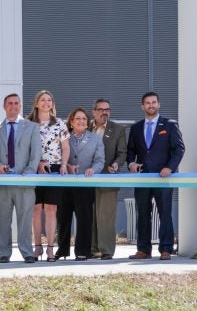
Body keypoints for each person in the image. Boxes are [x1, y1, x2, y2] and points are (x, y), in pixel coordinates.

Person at [127, 91, 185, 260]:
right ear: (142, 106)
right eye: (147, 103)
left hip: (163, 176)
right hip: (142, 177)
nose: (151, 105)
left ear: (158, 104)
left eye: (154, 102)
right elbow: (131, 150)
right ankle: (143, 250)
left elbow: (179, 149)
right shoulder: (136, 127)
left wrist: (170, 168)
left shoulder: (170, 125)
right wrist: (131, 164)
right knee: (143, 213)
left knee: (165, 213)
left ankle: (166, 249)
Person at [0, 93, 41, 263]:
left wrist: (29, 171)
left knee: (25, 220)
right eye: (9, 103)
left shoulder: (32, 127)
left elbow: (36, 154)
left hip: (24, 182)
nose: (13, 106)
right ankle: (3, 254)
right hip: (2, 182)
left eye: (16, 103)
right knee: (1, 220)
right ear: (4, 107)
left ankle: (27, 252)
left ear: (20, 106)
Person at [55, 108, 104, 261]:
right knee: (63, 218)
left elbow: (100, 160)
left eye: (84, 118)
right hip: (65, 183)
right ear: (71, 121)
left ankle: (83, 251)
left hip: (85, 184)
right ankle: (62, 250)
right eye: (78, 118)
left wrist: (93, 169)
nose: (81, 121)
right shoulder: (64, 137)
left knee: (84, 218)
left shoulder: (95, 139)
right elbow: (57, 157)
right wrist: (67, 166)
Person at [27, 90, 70, 262]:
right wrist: (36, 163)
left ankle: (51, 249)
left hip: (54, 169)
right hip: (33, 169)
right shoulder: (28, 123)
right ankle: (37, 247)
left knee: (51, 209)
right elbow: (24, 148)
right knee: (36, 210)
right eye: (42, 100)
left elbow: (65, 147)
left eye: (49, 100)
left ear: (52, 104)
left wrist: (64, 165)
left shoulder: (59, 123)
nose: (46, 102)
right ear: (36, 103)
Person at [89, 98, 127, 260]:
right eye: (101, 109)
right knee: (89, 216)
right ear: (94, 112)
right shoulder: (85, 126)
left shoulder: (117, 129)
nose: (105, 112)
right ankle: (92, 249)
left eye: (107, 109)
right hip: (86, 180)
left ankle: (106, 251)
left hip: (108, 177)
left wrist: (117, 165)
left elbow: (122, 153)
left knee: (106, 216)